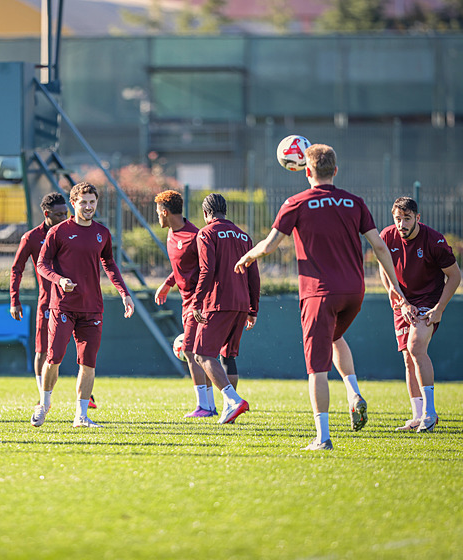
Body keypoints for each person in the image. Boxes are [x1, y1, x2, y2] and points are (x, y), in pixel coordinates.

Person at [235, 143, 405, 450]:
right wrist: (394, 286)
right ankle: (353, 392)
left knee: (316, 368)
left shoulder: (296, 203)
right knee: (335, 340)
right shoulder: (355, 203)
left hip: (319, 294)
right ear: (335, 171)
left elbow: (270, 245)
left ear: (306, 170)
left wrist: (247, 257)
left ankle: (323, 437)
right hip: (354, 292)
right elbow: (379, 246)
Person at [33, 182, 135, 428]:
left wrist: (124, 293)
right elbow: (41, 264)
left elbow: (109, 264)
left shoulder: (102, 232)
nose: (88, 207)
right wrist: (59, 280)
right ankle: (44, 404)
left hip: (92, 308)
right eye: (83, 202)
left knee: (88, 363)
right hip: (63, 306)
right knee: (53, 358)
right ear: (73, 204)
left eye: (92, 202)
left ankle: (81, 416)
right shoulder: (58, 232)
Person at [378, 196, 460, 433]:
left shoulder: (434, 240)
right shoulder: (387, 236)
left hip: (428, 301)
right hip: (404, 303)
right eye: (397, 219)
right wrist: (399, 300)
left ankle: (431, 413)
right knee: (407, 357)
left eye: (407, 219)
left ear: (417, 218)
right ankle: (417, 416)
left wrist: (439, 309)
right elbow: (385, 271)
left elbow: (455, 276)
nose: (401, 224)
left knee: (415, 347)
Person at [10, 193, 97, 408]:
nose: (62, 217)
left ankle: (87, 395)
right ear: (46, 214)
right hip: (47, 302)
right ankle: (43, 396)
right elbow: (16, 269)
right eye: (58, 215)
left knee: (82, 350)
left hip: (77, 301)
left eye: (64, 213)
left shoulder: (73, 232)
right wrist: (14, 299)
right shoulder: (31, 237)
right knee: (43, 351)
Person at [191, 194, 258, 424]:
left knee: (202, 354)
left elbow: (206, 270)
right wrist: (253, 309)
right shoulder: (244, 236)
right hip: (241, 304)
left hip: (217, 303)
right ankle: (230, 408)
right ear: (225, 211)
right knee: (227, 355)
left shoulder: (206, 233)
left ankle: (233, 400)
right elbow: (254, 275)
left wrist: (197, 301)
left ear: (206, 213)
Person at [153, 190, 216, 417]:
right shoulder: (171, 233)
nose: (157, 217)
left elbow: (207, 269)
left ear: (165, 212)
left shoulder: (195, 236)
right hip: (185, 301)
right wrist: (167, 283)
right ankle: (210, 405)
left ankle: (204, 406)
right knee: (197, 351)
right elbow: (182, 266)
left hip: (198, 302)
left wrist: (200, 301)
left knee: (190, 351)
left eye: (158, 213)